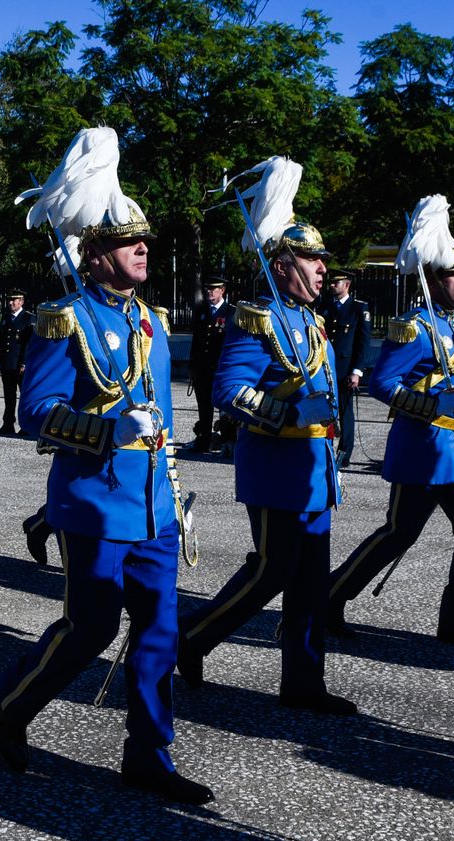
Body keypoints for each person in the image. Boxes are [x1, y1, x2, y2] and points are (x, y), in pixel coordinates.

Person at [0, 127, 208, 804]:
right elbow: (38, 414)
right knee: (90, 629)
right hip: (94, 499)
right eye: (125, 241)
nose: (143, 248)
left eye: (143, 239)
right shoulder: (65, 320)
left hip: (154, 502)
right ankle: (15, 701)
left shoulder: (150, 320)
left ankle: (149, 754)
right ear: (93, 254)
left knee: (161, 631)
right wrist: (108, 428)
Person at [176, 158, 355, 716]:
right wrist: (284, 412)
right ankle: (193, 635)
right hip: (277, 467)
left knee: (310, 581)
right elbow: (229, 390)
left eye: (322, 260)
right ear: (281, 266)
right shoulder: (256, 317)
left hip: (314, 469)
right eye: (311, 259)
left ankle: (303, 680)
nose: (322, 269)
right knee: (273, 570)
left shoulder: (310, 319)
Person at [326, 195, 454, 649]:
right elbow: (383, 383)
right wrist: (429, 404)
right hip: (423, 451)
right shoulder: (415, 327)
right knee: (397, 534)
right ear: (433, 279)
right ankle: (330, 597)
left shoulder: (453, 325)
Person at [319, 268, 371, 467]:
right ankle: (326, 448)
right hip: (326, 368)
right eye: (331, 282)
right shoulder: (325, 306)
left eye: (336, 283)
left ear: (347, 285)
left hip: (345, 368)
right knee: (325, 410)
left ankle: (344, 453)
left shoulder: (358, 308)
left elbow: (362, 343)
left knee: (345, 412)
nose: (331, 286)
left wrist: (357, 371)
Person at [187, 274, 232, 452]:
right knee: (204, 406)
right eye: (206, 288)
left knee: (224, 408)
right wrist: (192, 366)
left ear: (222, 291)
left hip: (221, 369)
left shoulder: (231, 312)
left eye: (213, 289)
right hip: (202, 369)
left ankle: (227, 441)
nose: (208, 291)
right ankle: (204, 439)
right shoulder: (201, 310)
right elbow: (196, 340)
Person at [0, 288, 33, 434]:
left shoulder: (28, 318)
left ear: (21, 302)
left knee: (24, 396)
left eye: (14, 300)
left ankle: (26, 426)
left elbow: (28, 343)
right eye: (9, 300)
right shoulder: (6, 318)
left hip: (21, 364)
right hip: (8, 364)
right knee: (9, 396)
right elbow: (2, 341)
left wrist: (25, 362)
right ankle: (8, 424)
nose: (10, 303)